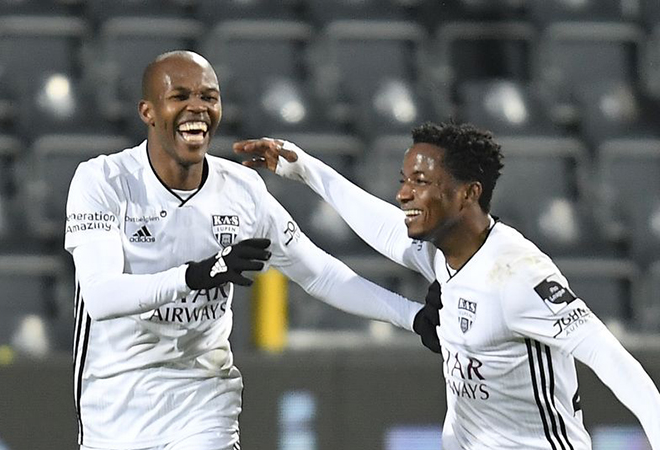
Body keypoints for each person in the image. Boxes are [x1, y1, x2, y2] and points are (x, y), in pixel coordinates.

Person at [63, 50, 434, 450]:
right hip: (115, 405)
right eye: (180, 96)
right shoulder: (103, 181)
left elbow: (318, 273)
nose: (197, 108)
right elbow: (101, 297)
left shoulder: (242, 190)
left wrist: (412, 317)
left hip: (203, 399)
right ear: (148, 112)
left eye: (209, 97)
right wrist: (196, 275)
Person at [234, 122, 660, 450]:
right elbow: (379, 226)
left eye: (420, 182)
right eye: (404, 179)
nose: (403, 194)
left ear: (467, 194)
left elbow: (610, 358)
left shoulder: (517, 275)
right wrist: (305, 168)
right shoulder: (441, 250)